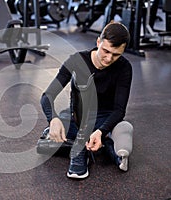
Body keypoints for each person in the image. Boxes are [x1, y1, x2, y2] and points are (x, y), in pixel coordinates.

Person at [40, 21, 134, 179]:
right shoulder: (77, 60)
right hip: (78, 118)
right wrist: (52, 119)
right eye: (105, 51)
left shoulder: (125, 67)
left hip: (106, 118)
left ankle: (93, 144)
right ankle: (103, 147)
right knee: (45, 142)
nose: (109, 58)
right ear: (98, 42)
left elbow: (119, 110)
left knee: (124, 128)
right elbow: (46, 96)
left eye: (116, 54)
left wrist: (101, 131)